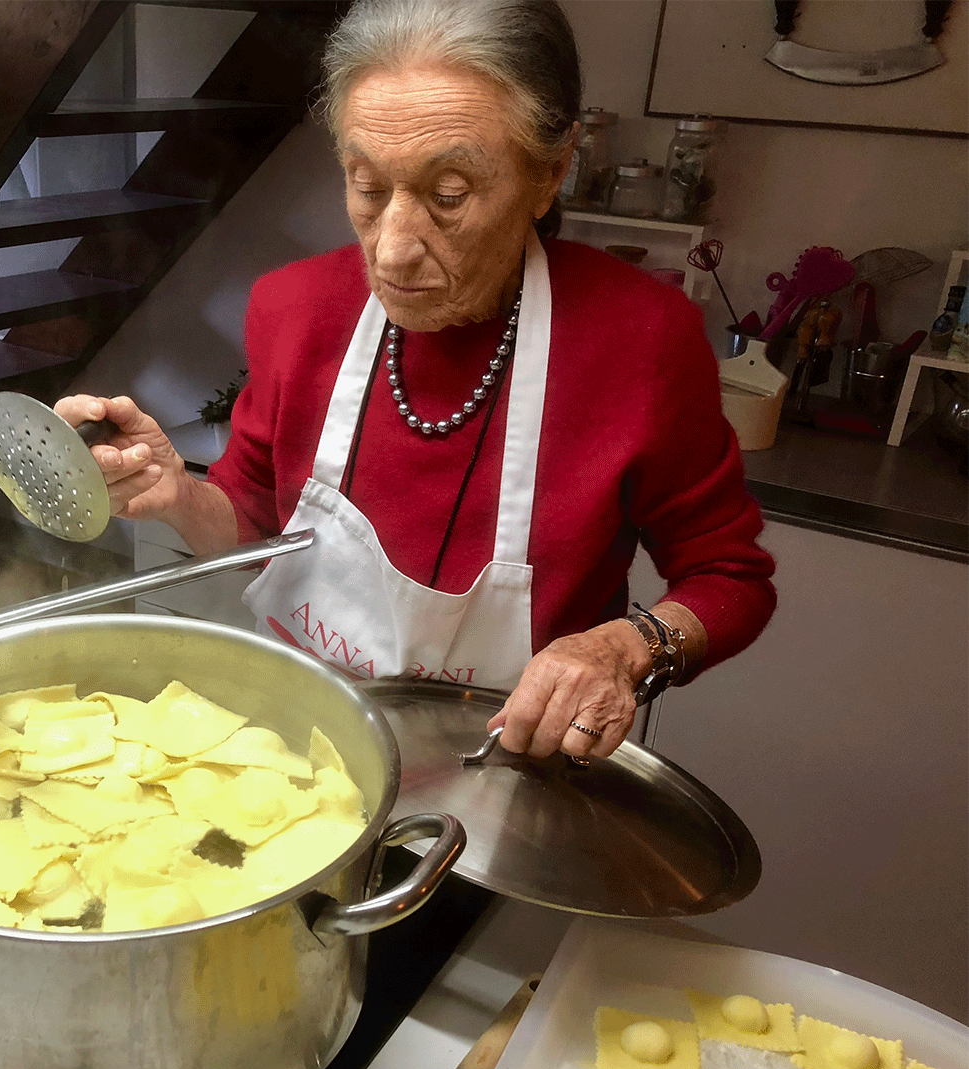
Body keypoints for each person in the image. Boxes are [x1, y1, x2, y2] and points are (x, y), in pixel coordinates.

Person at [56, 0, 776, 760]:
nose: (393, 251)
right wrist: (180, 493)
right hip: (296, 754)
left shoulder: (641, 340)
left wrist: (625, 650)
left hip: (507, 779)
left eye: (449, 194)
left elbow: (729, 577)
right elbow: (259, 525)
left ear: (550, 172)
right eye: (367, 185)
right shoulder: (294, 309)